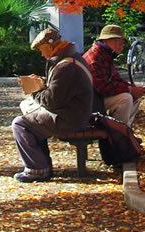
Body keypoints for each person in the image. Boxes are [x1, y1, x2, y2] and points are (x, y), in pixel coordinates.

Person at [10, 26, 93, 183]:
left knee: (20, 124)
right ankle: (41, 165)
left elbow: (51, 101)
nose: (42, 54)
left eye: (42, 50)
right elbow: (60, 89)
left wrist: (34, 89)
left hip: (69, 118)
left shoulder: (65, 66)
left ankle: (37, 169)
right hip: (75, 113)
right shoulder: (72, 58)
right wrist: (42, 81)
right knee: (31, 121)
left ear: (50, 46)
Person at [83, 25, 145, 125]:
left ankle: (124, 131)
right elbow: (102, 87)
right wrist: (130, 90)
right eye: (117, 41)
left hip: (97, 98)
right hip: (89, 102)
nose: (121, 45)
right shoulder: (95, 57)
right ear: (105, 41)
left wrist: (134, 89)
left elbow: (116, 79)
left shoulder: (105, 55)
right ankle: (118, 135)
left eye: (122, 42)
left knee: (135, 97)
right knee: (125, 99)